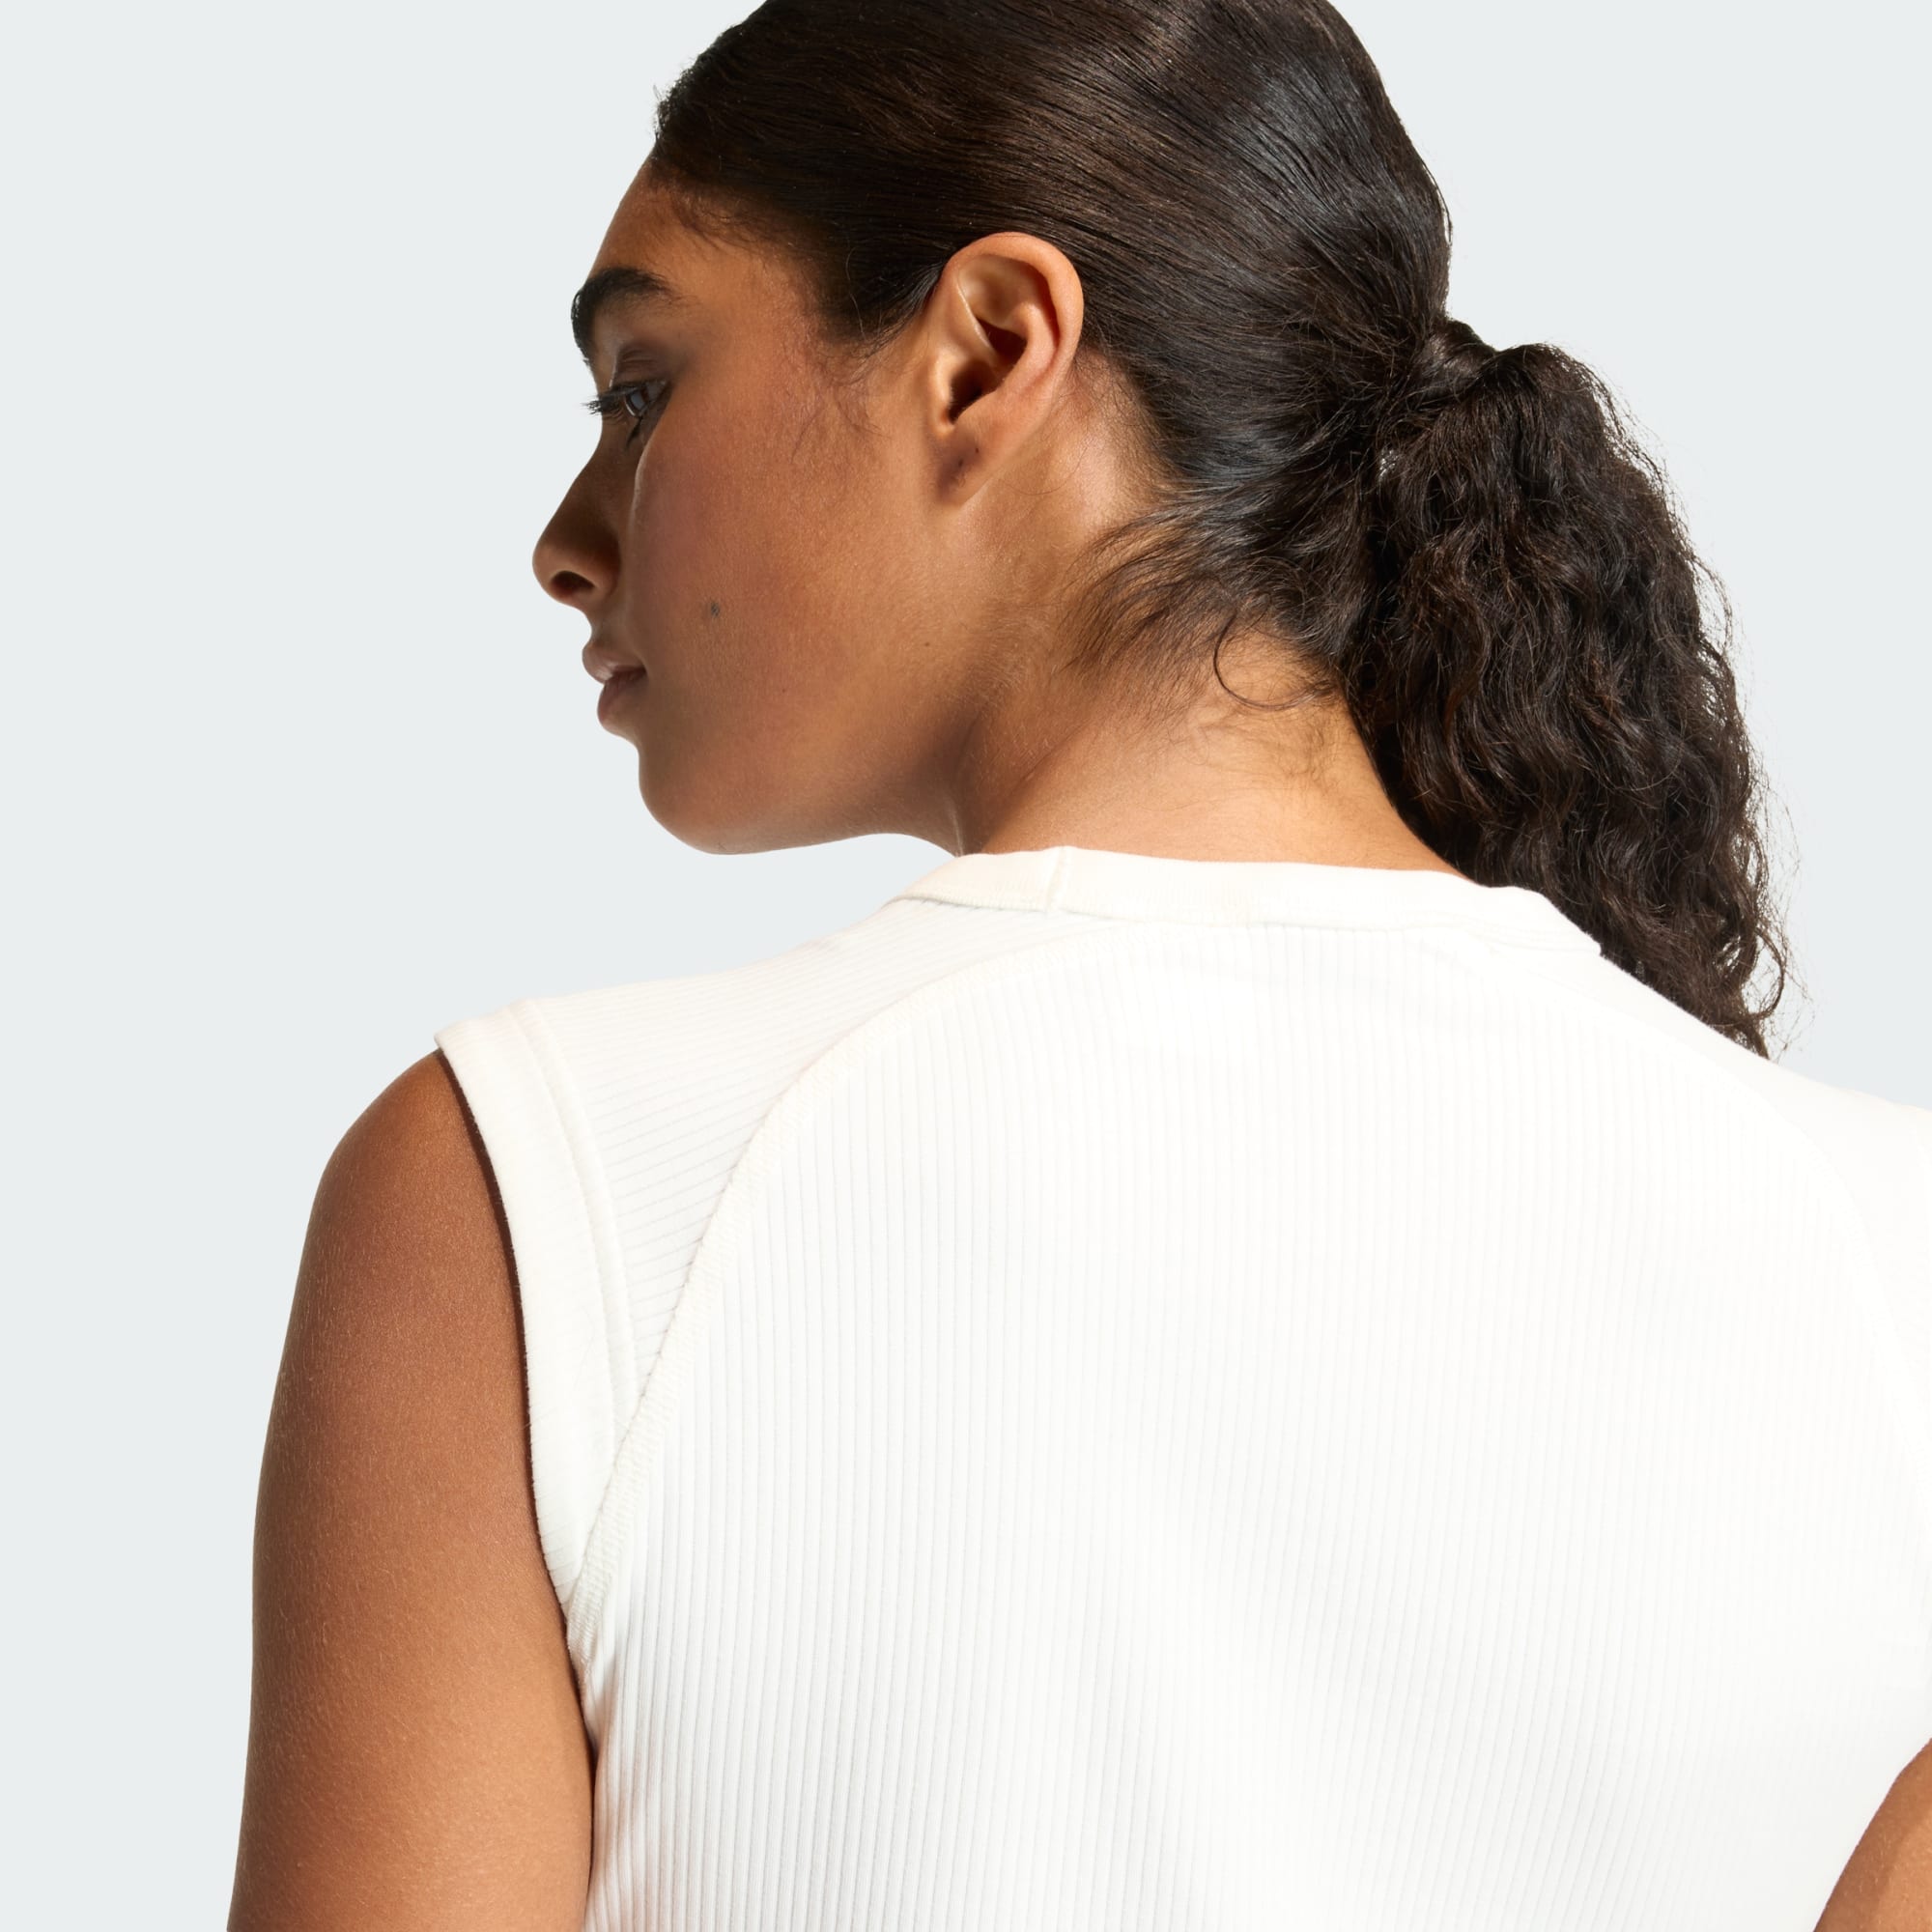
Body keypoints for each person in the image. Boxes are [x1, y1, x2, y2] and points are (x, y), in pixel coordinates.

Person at [227, 2, 1932, 1926]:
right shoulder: (1892, 1259)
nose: (565, 540)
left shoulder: (541, 1192)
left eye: (641, 388)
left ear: (987, 352)